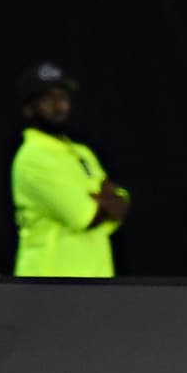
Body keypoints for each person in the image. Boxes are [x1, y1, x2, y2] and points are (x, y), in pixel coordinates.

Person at [10, 62, 131, 277]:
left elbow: (121, 203)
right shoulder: (32, 156)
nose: (60, 106)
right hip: (49, 282)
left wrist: (108, 201)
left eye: (63, 97)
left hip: (95, 280)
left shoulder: (82, 152)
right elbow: (84, 216)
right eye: (48, 99)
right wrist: (105, 202)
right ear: (29, 107)